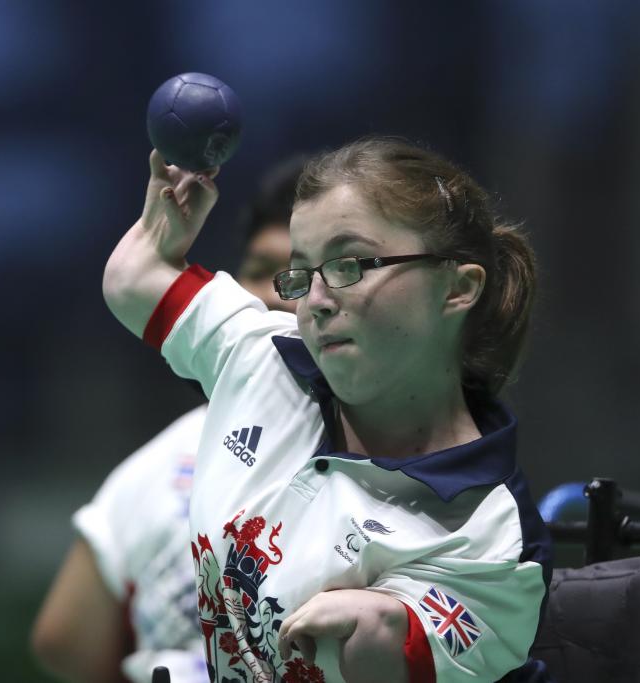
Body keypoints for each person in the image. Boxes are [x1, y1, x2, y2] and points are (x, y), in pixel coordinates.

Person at [101, 136, 552, 683]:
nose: (314, 300)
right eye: (300, 272)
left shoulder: (490, 532)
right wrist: (161, 226)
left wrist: (385, 623)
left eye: (350, 264)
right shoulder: (262, 357)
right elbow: (133, 280)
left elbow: (388, 655)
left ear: (458, 287)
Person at [31, 158, 306, 683]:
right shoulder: (163, 461)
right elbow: (62, 639)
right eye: (258, 270)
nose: (272, 294)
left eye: (294, 276)